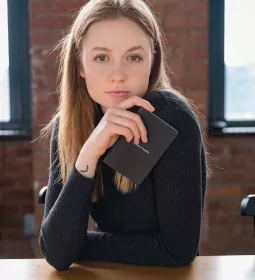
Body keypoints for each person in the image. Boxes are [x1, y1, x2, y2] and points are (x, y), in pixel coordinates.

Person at [39, 0, 208, 271]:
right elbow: (58, 255)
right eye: (101, 58)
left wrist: (79, 245)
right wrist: (90, 151)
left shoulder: (170, 117)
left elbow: (177, 250)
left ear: (152, 60)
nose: (118, 76)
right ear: (80, 65)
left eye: (133, 57)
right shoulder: (69, 126)